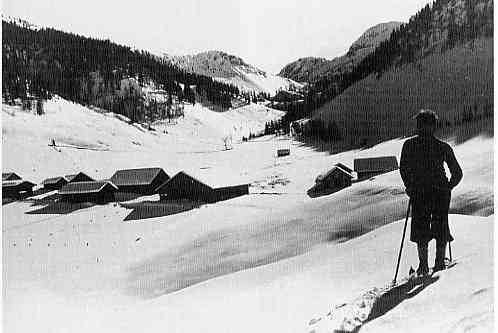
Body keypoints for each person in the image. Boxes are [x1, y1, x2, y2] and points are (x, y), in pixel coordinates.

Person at [400, 110, 463, 275]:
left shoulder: (409, 145)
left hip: (419, 191)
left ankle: (423, 266)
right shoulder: (443, 146)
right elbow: (457, 173)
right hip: (440, 192)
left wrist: (410, 186)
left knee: (421, 226)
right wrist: (449, 186)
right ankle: (440, 263)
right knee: (440, 224)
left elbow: (404, 170)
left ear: (418, 125)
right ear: (433, 126)